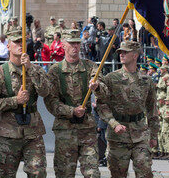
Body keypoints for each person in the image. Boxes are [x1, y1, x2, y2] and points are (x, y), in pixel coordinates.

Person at [0, 27, 53, 178]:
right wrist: (16, 101)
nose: (20, 45)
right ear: (8, 45)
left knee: (38, 173)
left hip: (33, 132)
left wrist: (30, 69)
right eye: (16, 42)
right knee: (7, 174)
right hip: (9, 134)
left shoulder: (36, 70)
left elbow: (46, 92)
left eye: (23, 42)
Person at [45, 30, 104, 178]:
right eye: (71, 43)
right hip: (65, 130)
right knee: (64, 173)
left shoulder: (90, 66)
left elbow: (103, 87)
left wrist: (97, 86)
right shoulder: (55, 71)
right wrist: (71, 111)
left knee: (92, 173)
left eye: (77, 43)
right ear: (64, 45)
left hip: (87, 129)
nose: (75, 46)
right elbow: (51, 102)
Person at [95, 40, 158, 178]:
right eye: (120, 52)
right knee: (118, 174)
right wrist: (113, 123)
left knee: (145, 172)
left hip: (140, 134)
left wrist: (154, 135)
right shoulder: (111, 78)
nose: (121, 55)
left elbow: (152, 110)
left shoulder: (146, 80)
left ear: (135, 55)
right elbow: (102, 104)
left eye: (125, 52)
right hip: (117, 136)